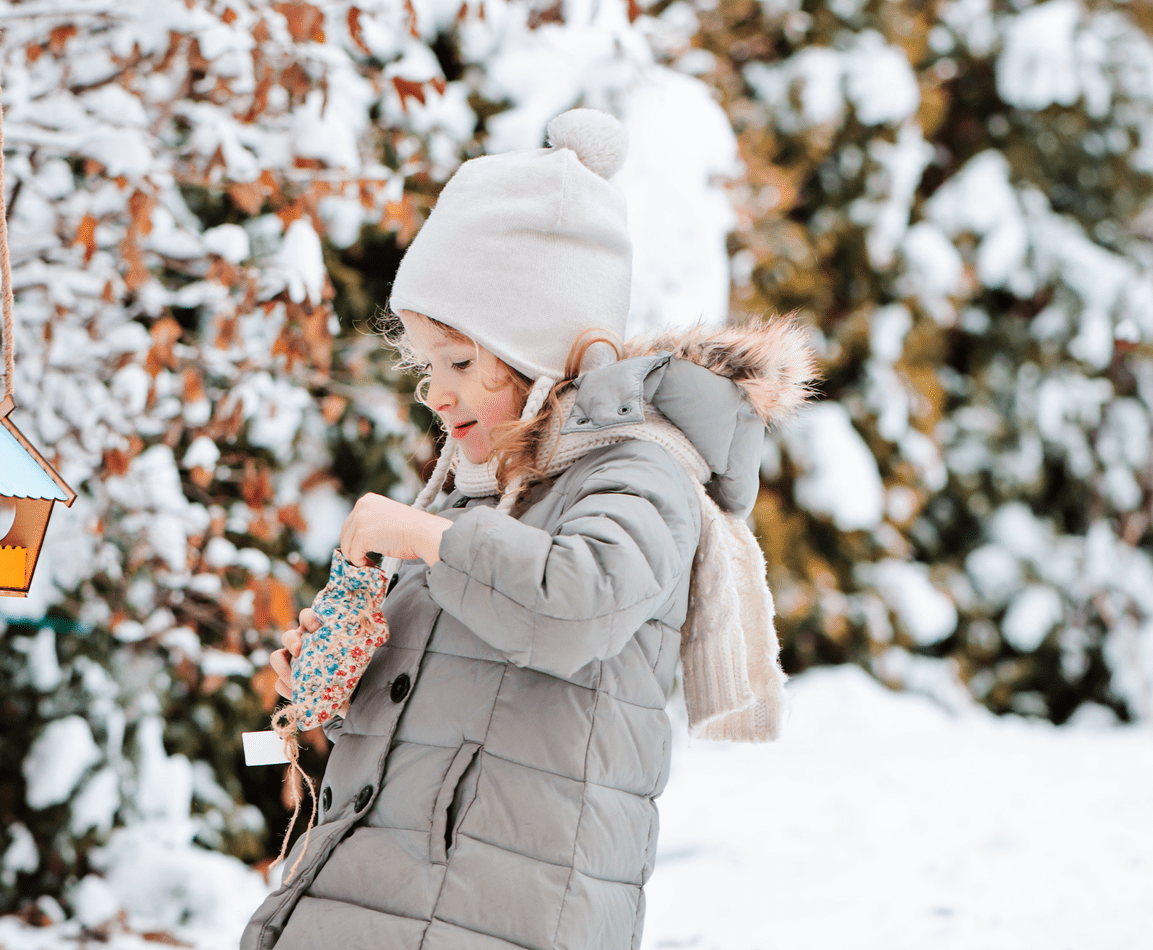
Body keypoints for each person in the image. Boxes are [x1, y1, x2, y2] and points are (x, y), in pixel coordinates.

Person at [243, 108, 815, 950]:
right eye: (427, 364)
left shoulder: (640, 472)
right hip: (383, 906)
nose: (435, 394)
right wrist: (343, 682)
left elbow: (573, 606)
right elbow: (456, 698)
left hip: (498, 916)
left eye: (462, 363)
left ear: (540, 350)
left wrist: (424, 540)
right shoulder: (481, 495)